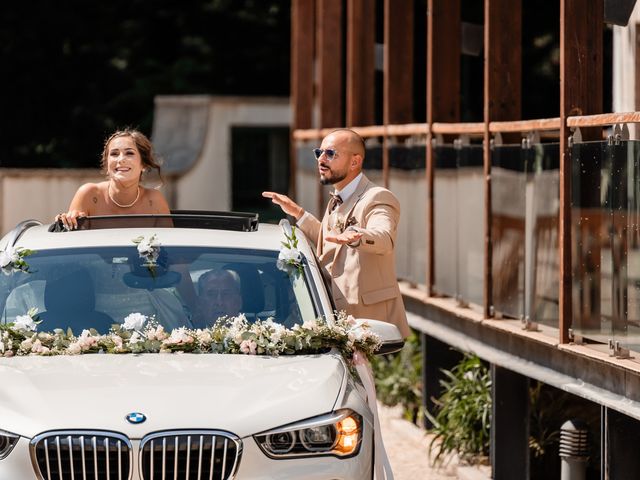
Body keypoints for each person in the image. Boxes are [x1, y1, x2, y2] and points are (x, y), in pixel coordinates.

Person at [263, 128, 411, 338]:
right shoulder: (337, 198)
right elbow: (329, 243)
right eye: (319, 153)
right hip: (334, 319)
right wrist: (299, 214)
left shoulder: (378, 197)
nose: (321, 160)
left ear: (354, 162)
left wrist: (356, 235)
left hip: (368, 325)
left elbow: (384, 237)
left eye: (330, 154)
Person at [55, 128, 171, 230]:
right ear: (107, 164)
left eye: (129, 153)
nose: (120, 159)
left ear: (144, 165)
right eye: (114, 154)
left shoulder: (155, 200)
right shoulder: (89, 194)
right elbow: (73, 244)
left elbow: (170, 247)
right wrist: (68, 220)